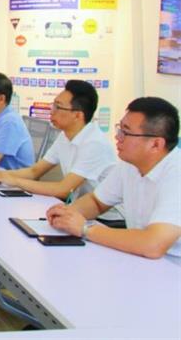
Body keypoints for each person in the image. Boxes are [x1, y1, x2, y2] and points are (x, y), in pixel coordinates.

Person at [47, 97, 181, 258]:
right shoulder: (130, 164)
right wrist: (66, 214)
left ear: (156, 144)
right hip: (141, 257)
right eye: (119, 129)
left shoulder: (176, 174)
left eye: (126, 132)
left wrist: (85, 229)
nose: (118, 137)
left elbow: (153, 244)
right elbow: (97, 202)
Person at [0, 80, 123, 224]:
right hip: (80, 208)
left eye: (58, 107)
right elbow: (35, 171)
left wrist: (15, 181)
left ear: (77, 115)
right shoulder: (64, 135)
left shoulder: (94, 143)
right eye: (53, 105)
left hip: (107, 218)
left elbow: (64, 189)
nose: (52, 111)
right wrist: (3, 175)